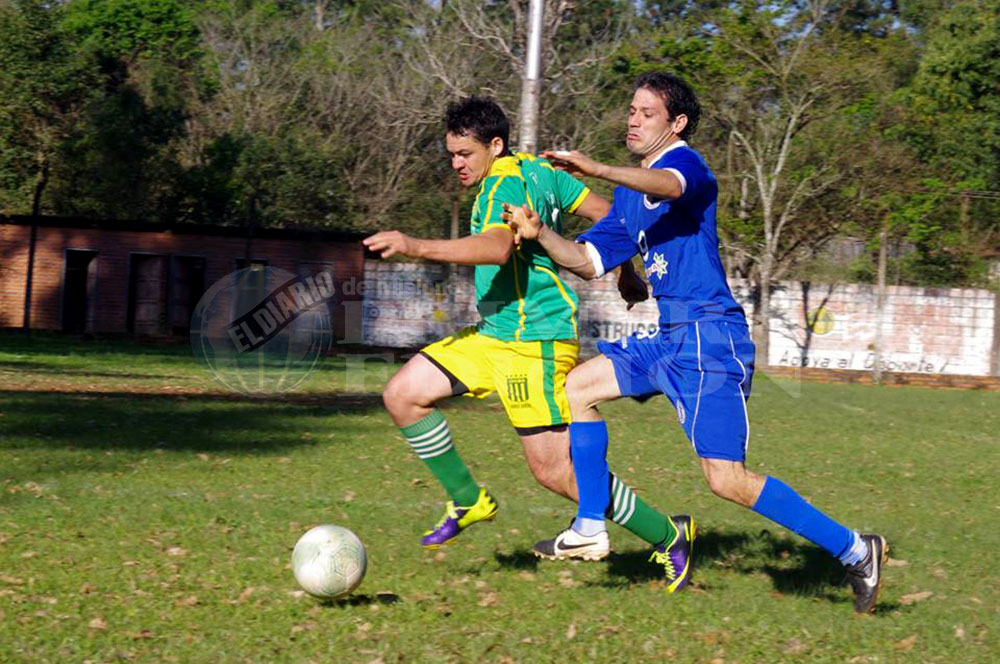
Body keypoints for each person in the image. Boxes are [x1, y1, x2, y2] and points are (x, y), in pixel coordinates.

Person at [502, 72, 888, 612]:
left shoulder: (688, 165)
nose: (633, 120)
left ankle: (856, 550)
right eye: (631, 110)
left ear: (676, 123)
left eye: (647, 113)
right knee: (577, 389)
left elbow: (672, 187)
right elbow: (587, 262)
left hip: (709, 337)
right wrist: (540, 233)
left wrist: (596, 168)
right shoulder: (628, 197)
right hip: (668, 336)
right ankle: (590, 525)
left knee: (726, 480)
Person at [364, 96, 683, 565]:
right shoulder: (541, 171)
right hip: (495, 334)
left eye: (465, 154)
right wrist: (624, 270)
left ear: (495, 145)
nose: (456, 164)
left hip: (534, 342)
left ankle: (668, 535)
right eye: (451, 154)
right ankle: (468, 499)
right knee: (403, 395)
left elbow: (496, 248)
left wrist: (414, 245)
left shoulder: (501, 186)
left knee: (556, 473)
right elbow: (610, 214)